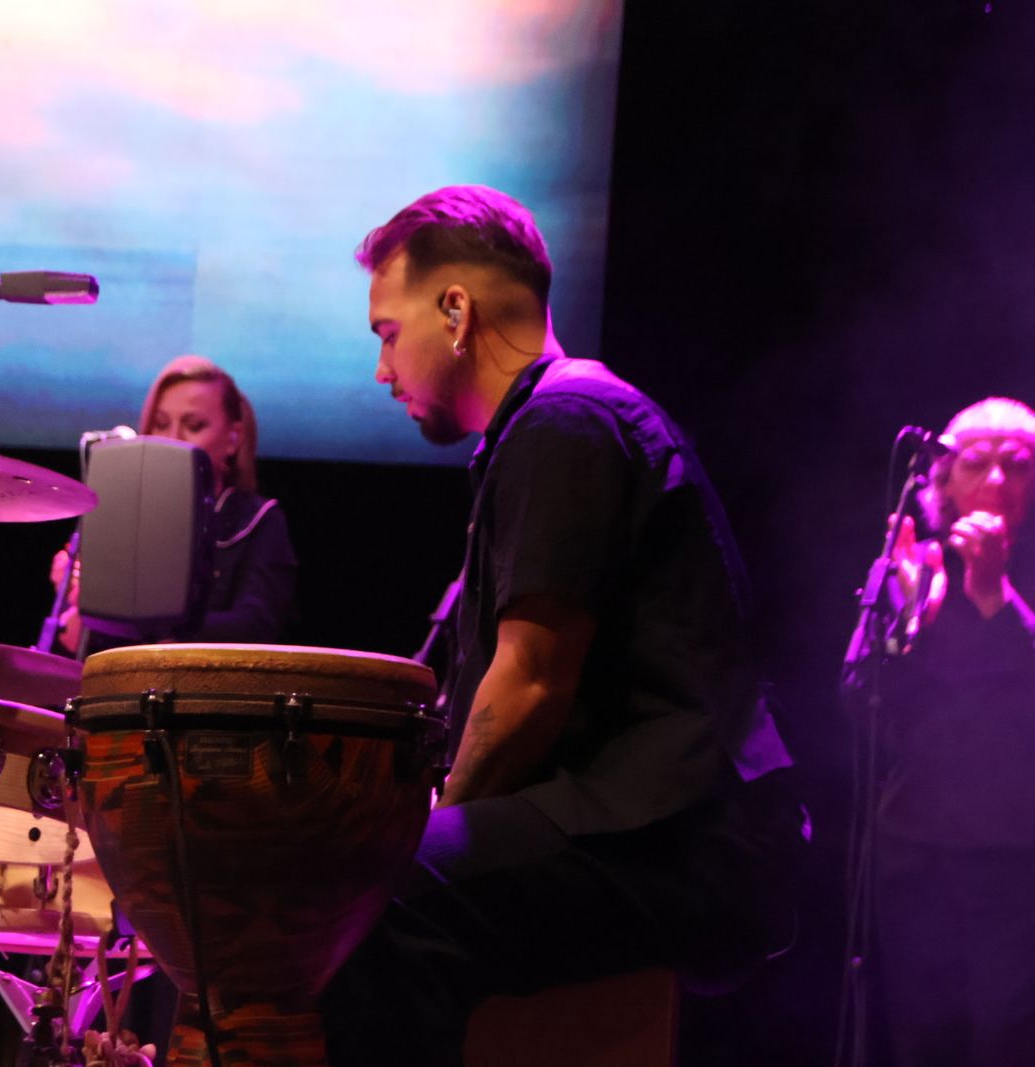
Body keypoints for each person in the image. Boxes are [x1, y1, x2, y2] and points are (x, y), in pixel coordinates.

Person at [318, 185, 802, 1065]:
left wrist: (430, 831)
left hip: (685, 840)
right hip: (649, 828)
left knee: (370, 898)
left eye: (388, 334)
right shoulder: (546, 426)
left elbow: (532, 681)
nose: (382, 370)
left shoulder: (568, 420)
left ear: (455, 311)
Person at [865, 397, 1035, 1066]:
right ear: (944, 482)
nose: (995, 480)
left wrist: (994, 595)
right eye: (976, 464)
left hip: (1018, 860)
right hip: (917, 852)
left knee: (1008, 1041)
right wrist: (905, 626)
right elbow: (859, 708)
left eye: (1016, 465)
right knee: (919, 1040)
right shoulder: (913, 565)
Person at [52, 354, 298, 652]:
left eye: (193, 426)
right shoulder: (125, 517)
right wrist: (79, 600)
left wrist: (156, 633)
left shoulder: (259, 520)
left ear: (233, 438)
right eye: (161, 424)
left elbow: (256, 624)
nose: (172, 439)